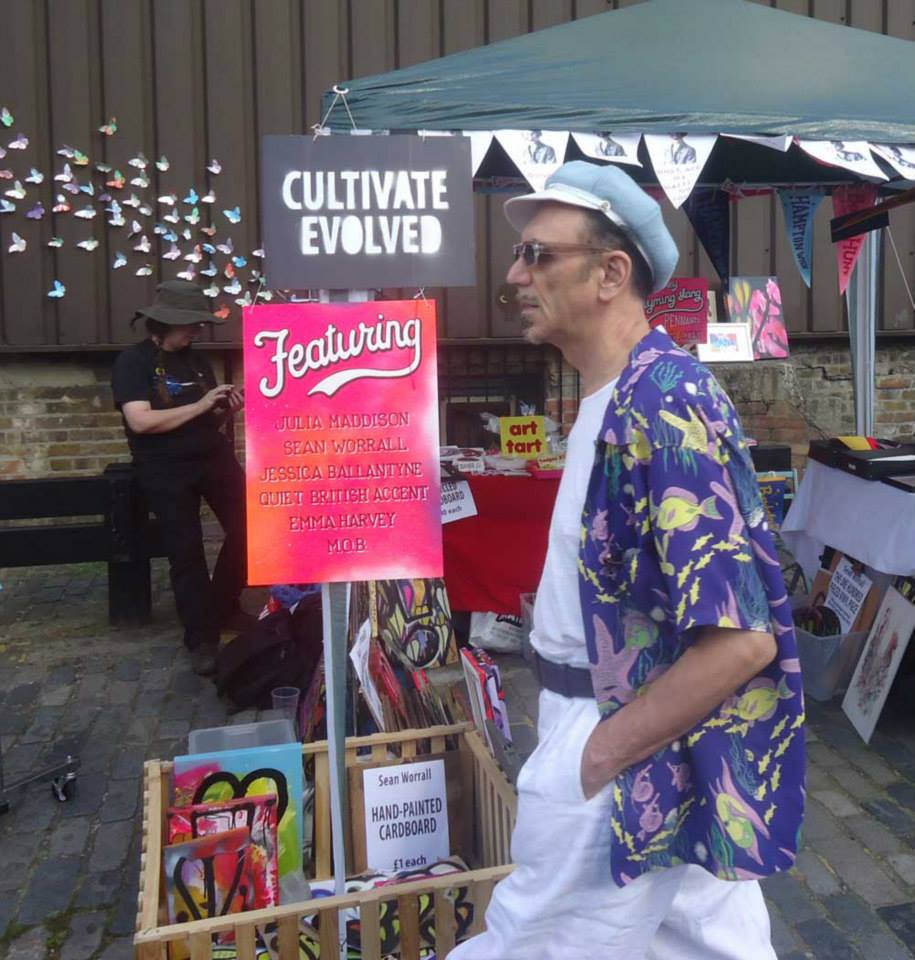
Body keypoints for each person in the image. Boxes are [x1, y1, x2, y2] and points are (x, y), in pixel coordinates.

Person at [450, 162, 805, 959]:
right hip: (638, 733)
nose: (515, 276)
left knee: (529, 946)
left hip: (614, 743)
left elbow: (741, 639)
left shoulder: (662, 402)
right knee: (706, 942)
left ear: (611, 274)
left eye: (538, 255)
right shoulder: (614, 395)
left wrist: (597, 757)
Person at [111, 280, 248, 677]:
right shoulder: (133, 362)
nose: (197, 331)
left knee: (251, 528)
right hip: (164, 467)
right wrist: (202, 404)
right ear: (165, 323)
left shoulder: (196, 361)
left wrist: (225, 409)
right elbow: (140, 421)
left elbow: (206, 418)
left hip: (212, 457)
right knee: (186, 552)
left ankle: (223, 605)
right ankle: (201, 638)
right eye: (190, 324)